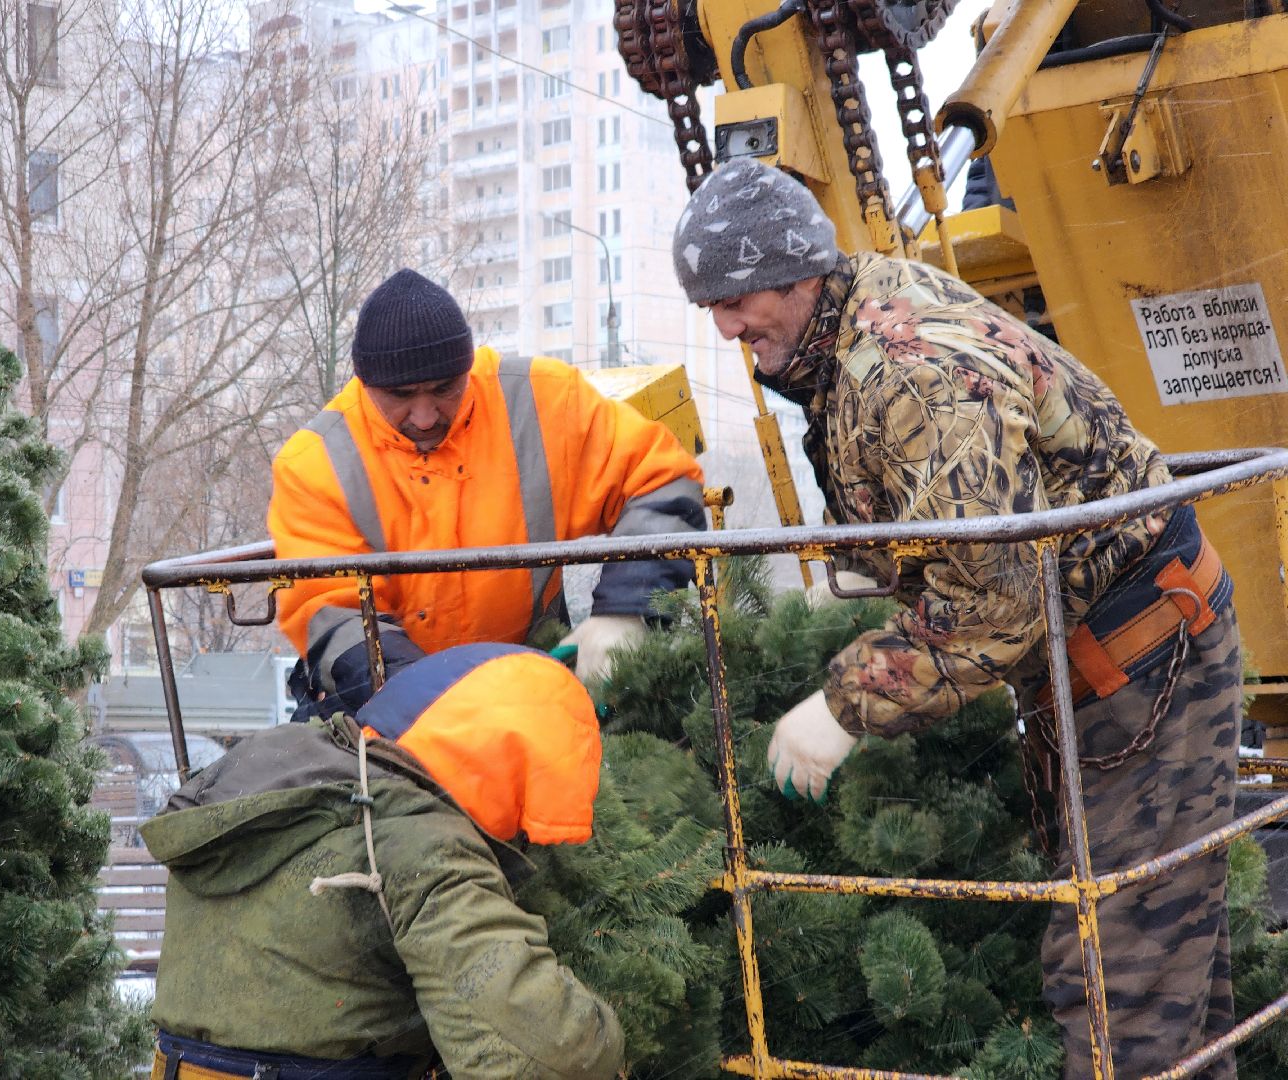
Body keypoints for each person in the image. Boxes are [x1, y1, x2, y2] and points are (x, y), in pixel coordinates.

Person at [672, 157, 1239, 1080]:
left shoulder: (910, 373)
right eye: (715, 310)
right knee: (1169, 977)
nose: (729, 329)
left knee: (1116, 980)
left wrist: (846, 701)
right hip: (1099, 663)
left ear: (797, 271)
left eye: (737, 301)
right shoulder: (853, 326)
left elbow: (997, 602)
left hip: (1143, 661)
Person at [140, 642, 625, 1080]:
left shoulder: (284, 778)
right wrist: (610, 1031)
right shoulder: (423, 844)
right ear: (517, 767)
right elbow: (544, 1052)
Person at [268, 269, 706, 713]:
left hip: (536, 681)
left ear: (468, 366)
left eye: (444, 390)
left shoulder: (546, 403)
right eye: (400, 396)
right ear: (364, 383)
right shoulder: (315, 463)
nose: (423, 417)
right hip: (379, 704)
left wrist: (626, 612)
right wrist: (436, 702)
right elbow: (328, 611)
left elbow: (662, 479)